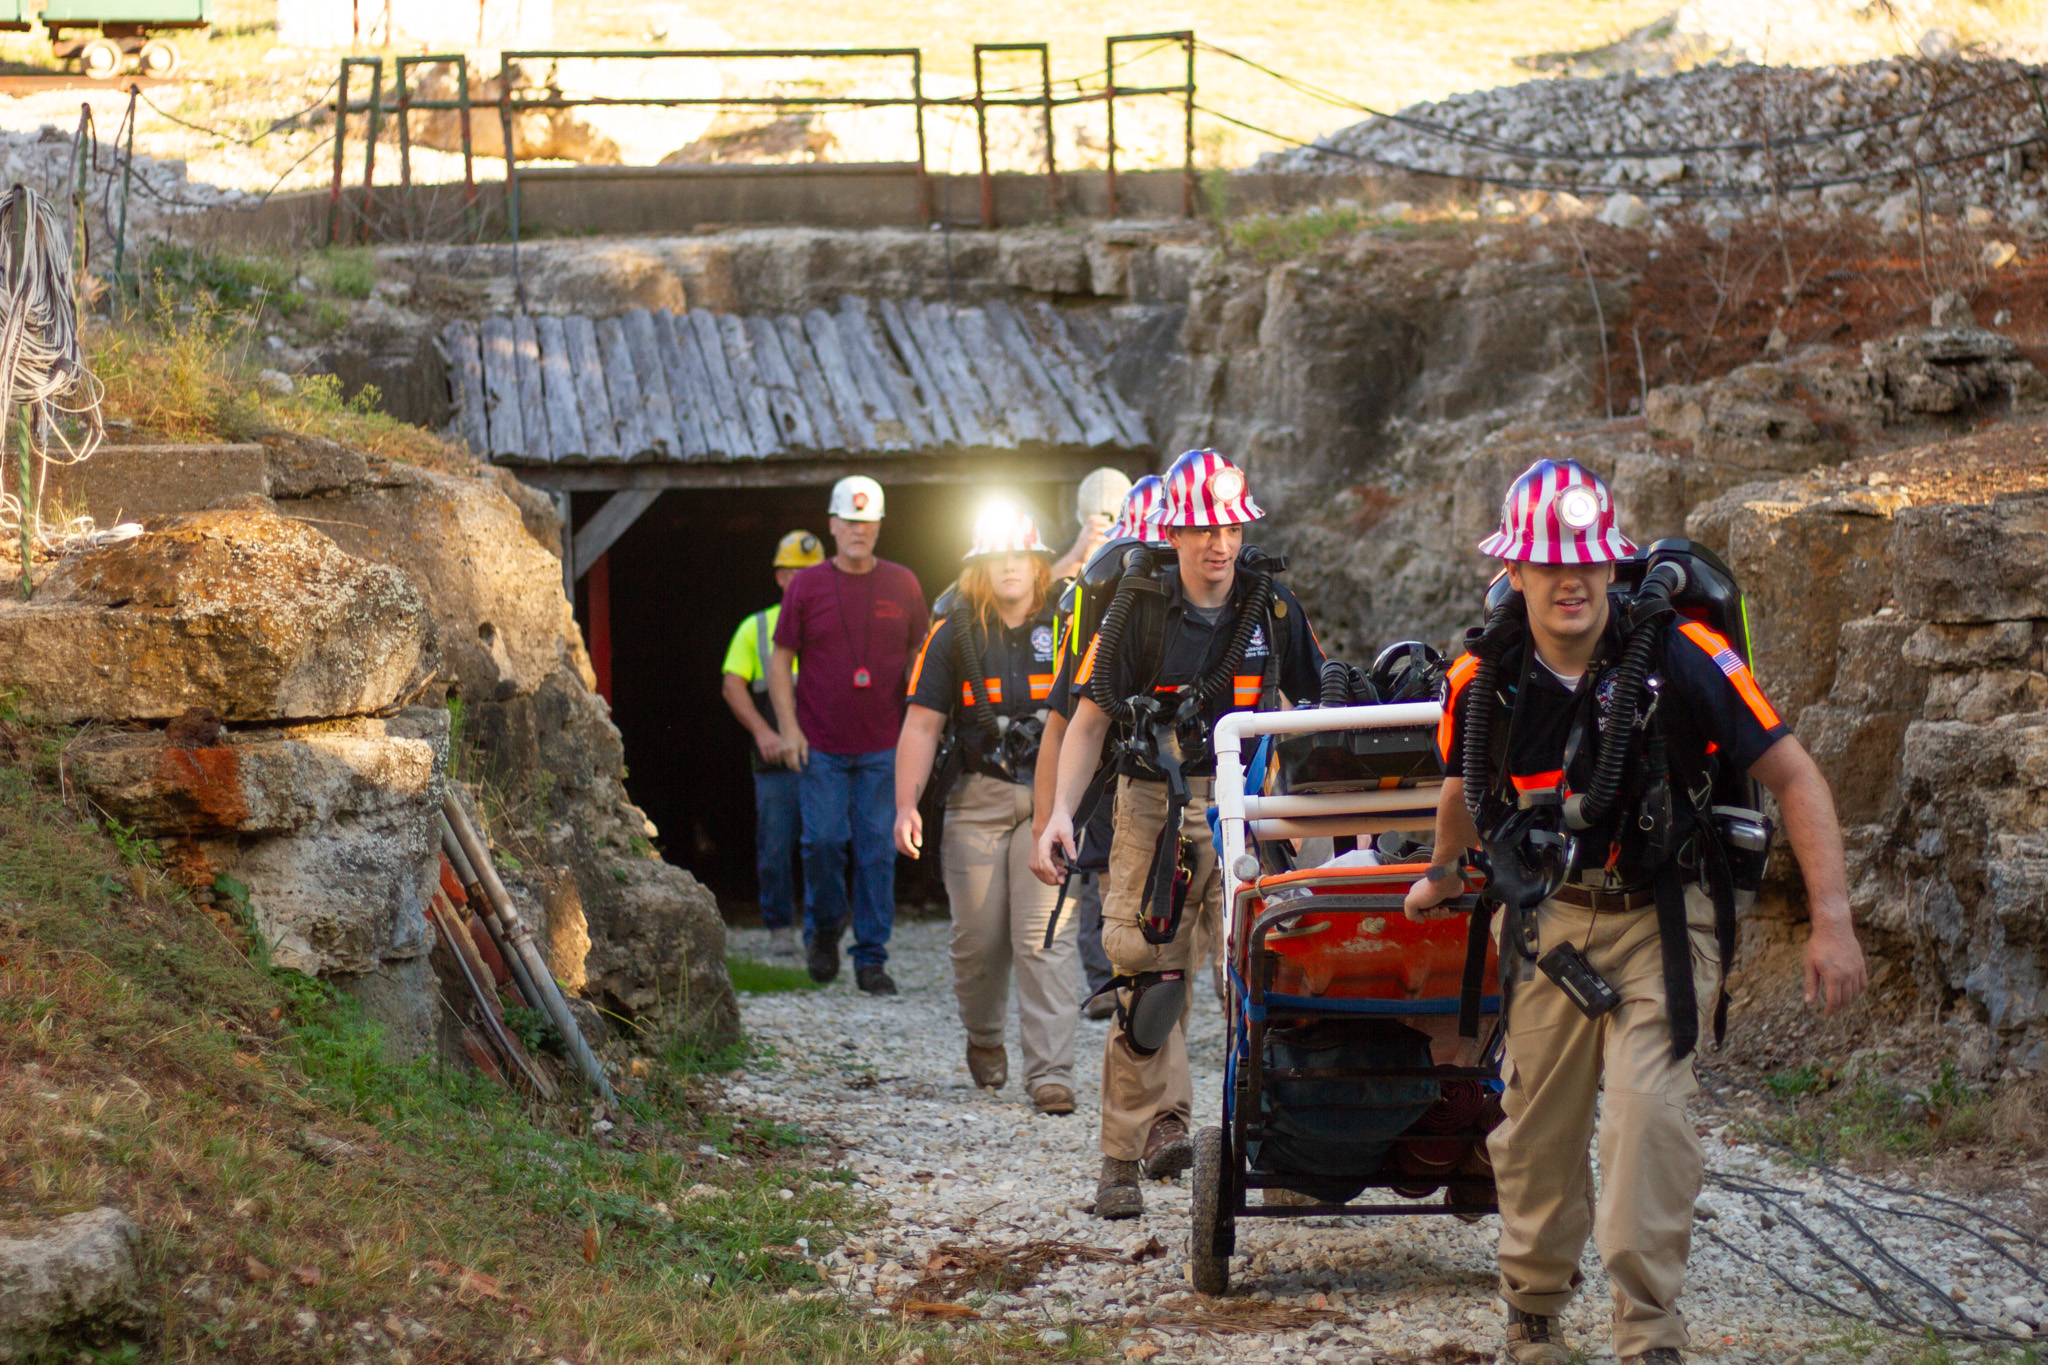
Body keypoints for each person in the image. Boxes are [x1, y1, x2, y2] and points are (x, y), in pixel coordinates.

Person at [1403, 459, 1869, 1365]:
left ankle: (1648, 1331)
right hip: (1548, 922)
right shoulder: (1483, 678)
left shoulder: (1684, 657)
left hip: (1661, 917)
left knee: (1646, 1119)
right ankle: (1533, 1313)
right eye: (1550, 564)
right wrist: (1444, 869)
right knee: (1536, 1131)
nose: (1571, 580)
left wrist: (1834, 920)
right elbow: (1463, 786)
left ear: (1614, 566)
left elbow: (1795, 773)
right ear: (1519, 572)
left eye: (1589, 562)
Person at [1036, 450, 1325, 1219]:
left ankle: (1284, 1152)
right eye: (1201, 527)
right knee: (1149, 982)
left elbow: (1319, 701)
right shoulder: (1136, 605)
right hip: (1151, 804)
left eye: (1229, 526)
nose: (1218, 544)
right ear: (1175, 531)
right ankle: (1125, 1158)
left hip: (1247, 806)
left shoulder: (1271, 606)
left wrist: (1327, 808)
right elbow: (1088, 717)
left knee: (1271, 978)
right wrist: (1060, 813)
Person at [895, 499, 1079, 1115]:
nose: (1009, 568)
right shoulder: (954, 635)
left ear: (1037, 563)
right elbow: (922, 727)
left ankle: (1050, 1073)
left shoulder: (1074, 623)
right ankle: (983, 1038)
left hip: (1050, 805)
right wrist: (906, 806)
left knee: (1043, 938)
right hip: (977, 797)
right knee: (977, 941)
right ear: (981, 566)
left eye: (1020, 557)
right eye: (997, 557)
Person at [770, 476, 928, 995]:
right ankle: (822, 928)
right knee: (821, 842)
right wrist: (788, 729)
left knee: (878, 851)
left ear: (879, 526)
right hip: (821, 745)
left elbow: (919, 657)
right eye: (850, 521)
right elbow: (780, 660)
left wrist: (919, 724)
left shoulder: (903, 583)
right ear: (833, 525)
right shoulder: (807, 586)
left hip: (884, 743)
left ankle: (871, 959)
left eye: (868, 521)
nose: (859, 530)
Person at [1036, 474, 1169, 1020]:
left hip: (1182, 771)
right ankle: (1111, 982)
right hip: (1109, 762)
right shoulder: (1087, 598)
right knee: (1104, 874)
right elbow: (1066, 718)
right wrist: (1053, 812)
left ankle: (1168, 983)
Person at [719, 529, 825, 957]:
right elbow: (732, 686)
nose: (803, 580)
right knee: (776, 847)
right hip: (776, 761)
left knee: (825, 845)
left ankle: (821, 928)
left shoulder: (838, 628)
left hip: (826, 760)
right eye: (795, 573)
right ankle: (781, 927)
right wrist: (763, 732)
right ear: (780, 577)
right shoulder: (756, 628)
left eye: (812, 573)